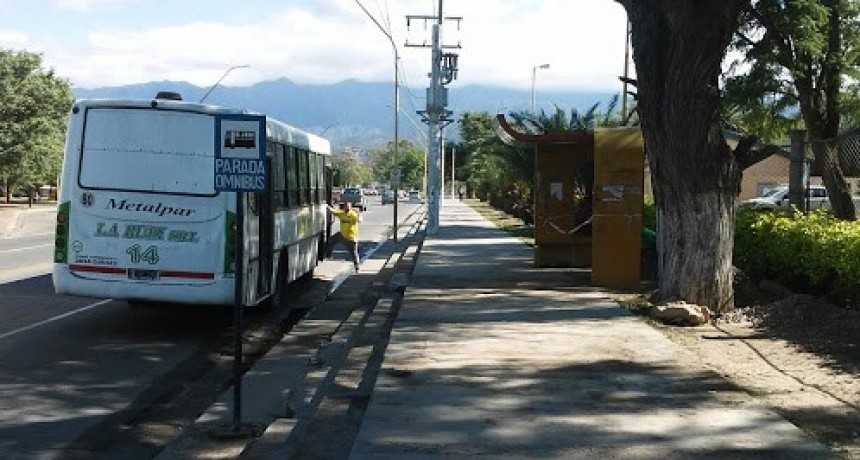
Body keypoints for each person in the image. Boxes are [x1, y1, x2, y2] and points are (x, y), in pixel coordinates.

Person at [326, 201, 362, 271]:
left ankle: (357, 266)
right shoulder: (341, 213)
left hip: (351, 238)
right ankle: (329, 255)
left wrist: (359, 216)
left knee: (354, 253)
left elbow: (359, 220)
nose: (347, 208)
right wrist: (326, 206)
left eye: (348, 207)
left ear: (351, 207)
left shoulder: (353, 214)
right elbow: (333, 211)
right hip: (342, 235)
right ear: (344, 207)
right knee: (330, 241)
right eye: (346, 207)